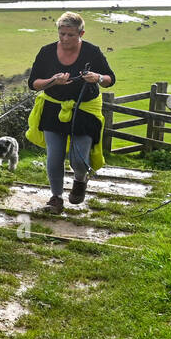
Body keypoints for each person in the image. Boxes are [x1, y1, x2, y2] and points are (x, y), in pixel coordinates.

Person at [25, 11, 116, 214]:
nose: (65, 38)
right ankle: (55, 199)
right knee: (54, 156)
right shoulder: (46, 52)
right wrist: (52, 81)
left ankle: (80, 178)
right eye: (61, 33)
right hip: (53, 108)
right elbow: (33, 83)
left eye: (70, 35)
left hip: (84, 111)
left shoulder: (92, 52)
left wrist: (97, 78)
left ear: (81, 33)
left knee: (78, 159)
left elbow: (110, 79)